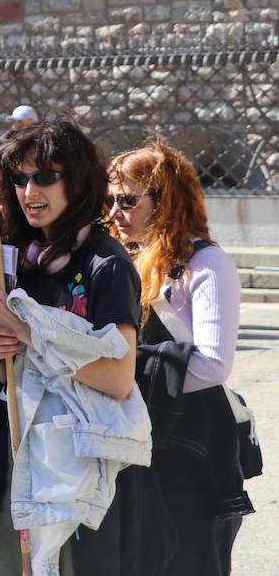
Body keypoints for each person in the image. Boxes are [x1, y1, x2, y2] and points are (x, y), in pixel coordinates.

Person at [0, 118, 142, 575]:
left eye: (46, 176)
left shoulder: (107, 264)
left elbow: (118, 377)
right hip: (21, 458)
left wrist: (34, 336)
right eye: (20, 178)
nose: (31, 190)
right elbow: (10, 374)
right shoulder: (17, 258)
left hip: (80, 470)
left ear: (78, 180)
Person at [108, 142, 247, 575]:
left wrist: (117, 373)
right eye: (110, 200)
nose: (115, 211)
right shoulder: (122, 259)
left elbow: (213, 364)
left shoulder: (205, 263)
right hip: (138, 447)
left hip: (193, 449)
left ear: (164, 201)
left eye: (129, 200)